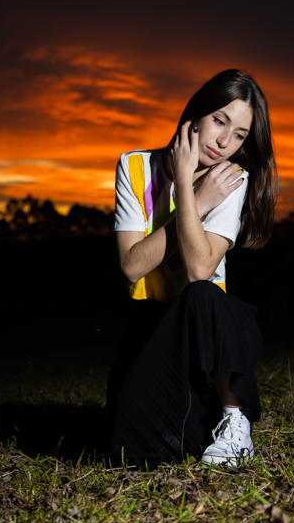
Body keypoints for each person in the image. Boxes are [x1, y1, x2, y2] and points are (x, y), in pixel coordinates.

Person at [107, 69, 277, 469]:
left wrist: (186, 189)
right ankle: (201, 429)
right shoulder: (135, 167)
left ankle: (235, 419)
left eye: (239, 134)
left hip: (207, 334)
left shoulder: (231, 180)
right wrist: (194, 195)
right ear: (195, 115)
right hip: (154, 325)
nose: (224, 141)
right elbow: (131, 266)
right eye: (219, 121)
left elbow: (200, 268)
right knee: (127, 450)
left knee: (203, 294)